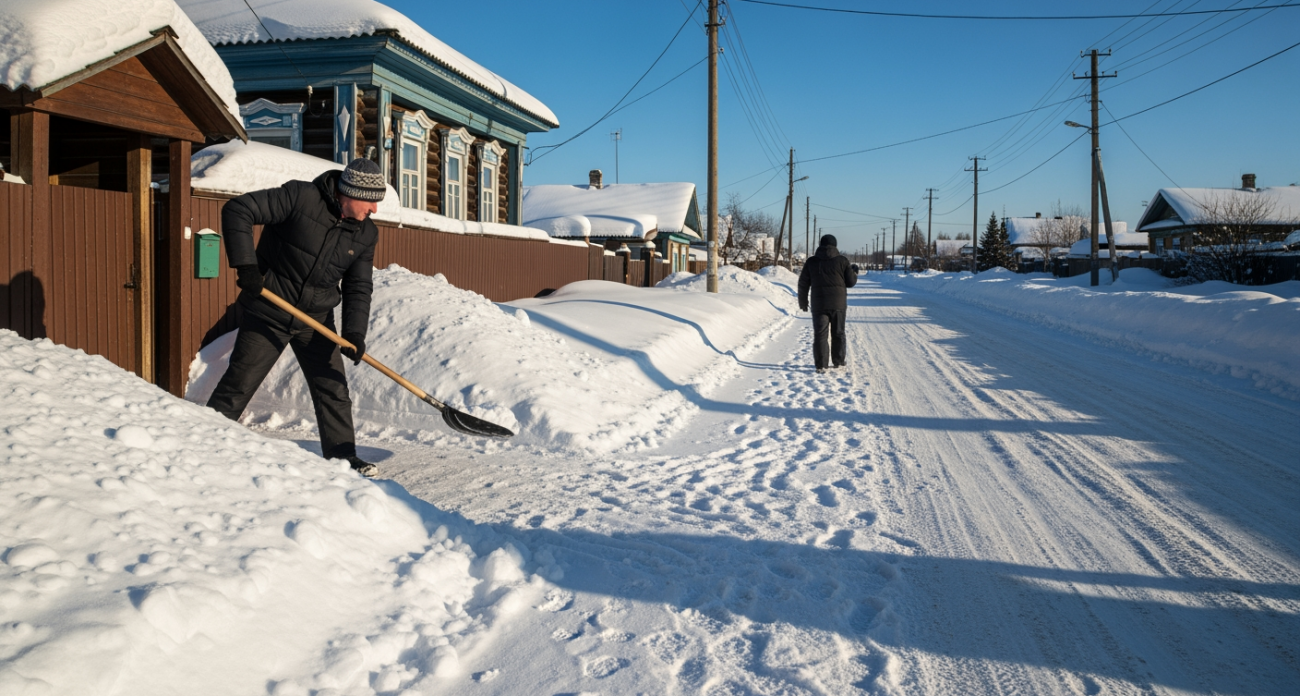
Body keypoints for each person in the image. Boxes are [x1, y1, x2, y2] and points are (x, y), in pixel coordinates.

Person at [206, 158, 384, 477]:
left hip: (315, 319)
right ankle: (200, 443)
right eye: (371, 201)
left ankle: (343, 458)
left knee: (333, 387)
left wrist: (354, 333)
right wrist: (246, 266)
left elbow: (359, 285)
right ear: (350, 193)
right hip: (270, 310)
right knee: (239, 383)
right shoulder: (300, 198)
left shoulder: (366, 234)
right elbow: (238, 209)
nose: (374, 210)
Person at [797, 234, 859, 373]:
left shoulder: (811, 262)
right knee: (838, 333)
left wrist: (803, 302)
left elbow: (803, 283)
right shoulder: (842, 261)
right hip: (838, 304)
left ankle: (821, 366)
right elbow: (851, 282)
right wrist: (854, 272)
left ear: (820, 245)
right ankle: (839, 362)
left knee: (820, 334)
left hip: (819, 304)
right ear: (835, 246)